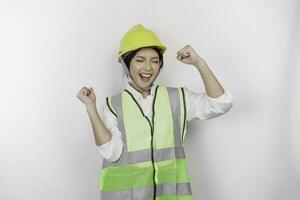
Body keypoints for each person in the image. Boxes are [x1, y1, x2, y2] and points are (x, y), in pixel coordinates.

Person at [77, 24, 233, 200]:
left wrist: (199, 63)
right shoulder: (113, 105)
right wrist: (91, 108)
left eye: (155, 60)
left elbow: (221, 103)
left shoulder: (178, 98)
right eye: (140, 60)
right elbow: (111, 152)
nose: (148, 68)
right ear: (125, 62)